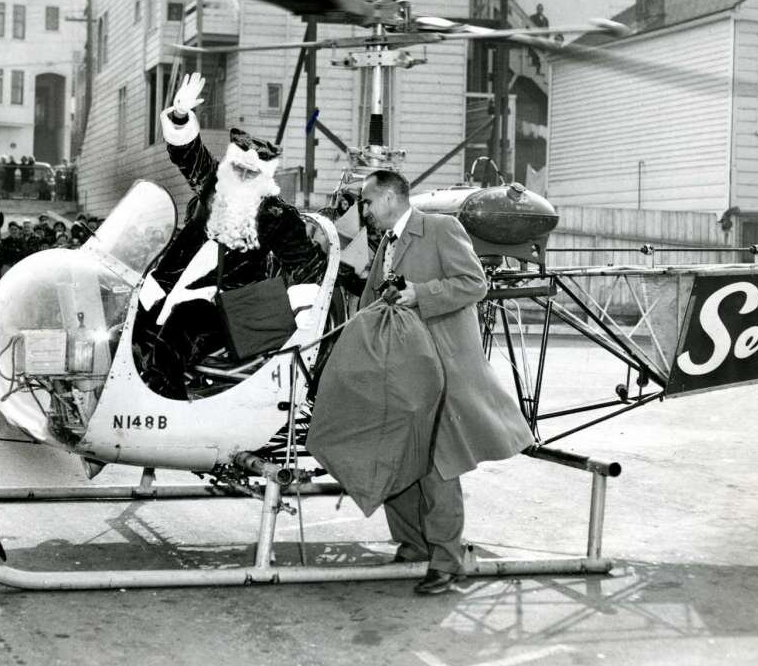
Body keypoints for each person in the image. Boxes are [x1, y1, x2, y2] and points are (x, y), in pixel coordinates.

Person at [358, 169, 534, 595]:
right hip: (401, 373)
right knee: (396, 459)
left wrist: (422, 293)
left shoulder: (439, 228)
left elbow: (474, 284)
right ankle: (414, 543)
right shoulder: (386, 243)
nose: (363, 211)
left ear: (387, 198)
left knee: (438, 466)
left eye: (366, 202)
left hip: (441, 371)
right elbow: (370, 302)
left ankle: (447, 560)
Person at [133, 73, 325, 399]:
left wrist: (306, 323)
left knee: (182, 323)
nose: (241, 178)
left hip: (224, 309)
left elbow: (307, 267)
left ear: (264, 179)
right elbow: (188, 153)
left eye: (250, 174)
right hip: (166, 289)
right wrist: (180, 116)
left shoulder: (278, 217)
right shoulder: (212, 186)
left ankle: (165, 403)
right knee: (127, 329)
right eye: (237, 169)